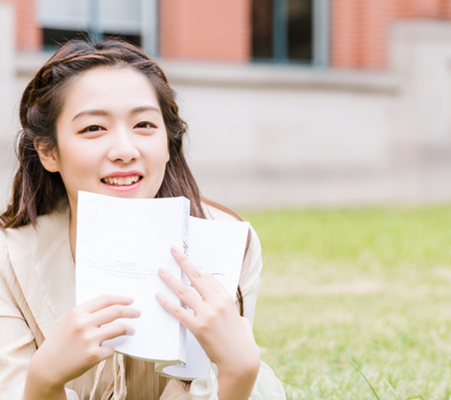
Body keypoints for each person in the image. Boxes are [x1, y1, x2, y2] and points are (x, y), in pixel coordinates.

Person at [0, 39, 286, 400]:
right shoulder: (8, 259)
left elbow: (214, 385)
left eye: (145, 125)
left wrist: (238, 375)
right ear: (48, 151)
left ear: (168, 142)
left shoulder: (227, 242)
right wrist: (44, 381)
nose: (124, 151)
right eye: (93, 129)